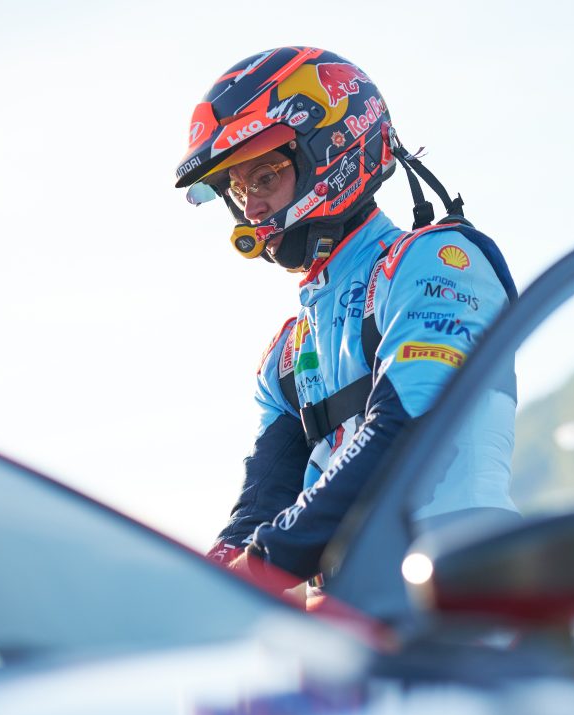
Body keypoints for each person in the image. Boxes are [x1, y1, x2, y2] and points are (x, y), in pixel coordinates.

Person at [174, 46, 518, 591]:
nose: (250, 210)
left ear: (330, 155)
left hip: (466, 596)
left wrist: (263, 564)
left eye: (263, 178)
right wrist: (199, 581)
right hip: (354, 614)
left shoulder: (439, 262)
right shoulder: (288, 355)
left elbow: (400, 434)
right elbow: (260, 506)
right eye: (237, 191)